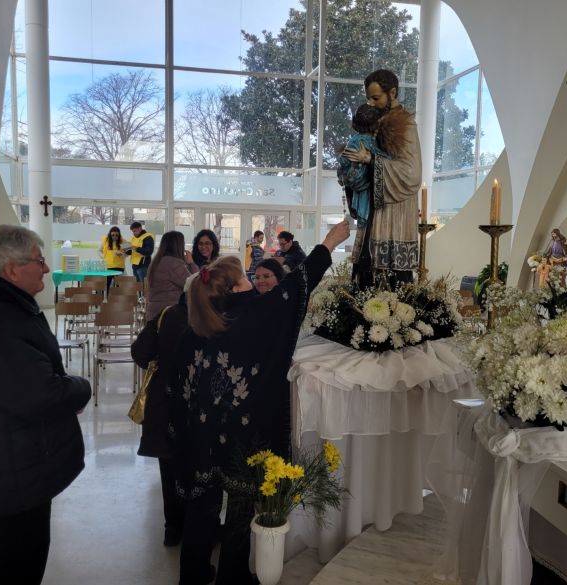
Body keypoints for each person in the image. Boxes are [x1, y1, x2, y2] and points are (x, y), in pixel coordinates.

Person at [168, 220, 350, 585]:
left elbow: (179, 383)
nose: (253, 281)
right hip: (240, 434)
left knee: (201, 505)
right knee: (238, 507)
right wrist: (329, 242)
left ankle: (193, 573)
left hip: (201, 434)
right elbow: (299, 284)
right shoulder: (252, 314)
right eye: (246, 278)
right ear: (237, 286)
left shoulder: (198, 322)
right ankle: (232, 577)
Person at [0, 225, 91, 585]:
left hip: (13, 463)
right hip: (8, 471)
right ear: (11, 269)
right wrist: (79, 387)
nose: (45, 268)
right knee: (13, 565)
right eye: (39, 261)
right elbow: (35, 394)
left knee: (15, 561)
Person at [342, 69, 421, 288]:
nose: (371, 103)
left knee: (387, 277)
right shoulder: (378, 121)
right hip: (375, 204)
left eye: (376, 98)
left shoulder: (405, 124)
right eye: (368, 98)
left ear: (392, 92)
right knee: (365, 271)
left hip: (394, 207)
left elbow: (412, 173)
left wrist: (371, 160)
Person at [131, 296, 191, 548]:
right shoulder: (210, 316)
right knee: (194, 467)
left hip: (163, 403)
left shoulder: (166, 315)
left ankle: (173, 528)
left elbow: (140, 352)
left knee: (168, 469)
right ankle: (194, 527)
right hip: (193, 405)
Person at [337, 103, 391, 229]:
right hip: (365, 189)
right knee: (369, 222)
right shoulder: (367, 141)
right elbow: (386, 159)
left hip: (360, 187)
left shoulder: (355, 140)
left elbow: (344, 163)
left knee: (366, 224)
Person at [145, 230, 198, 322]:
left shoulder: (156, 262)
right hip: (169, 313)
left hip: (154, 312)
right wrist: (191, 263)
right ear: (178, 246)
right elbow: (194, 284)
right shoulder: (173, 264)